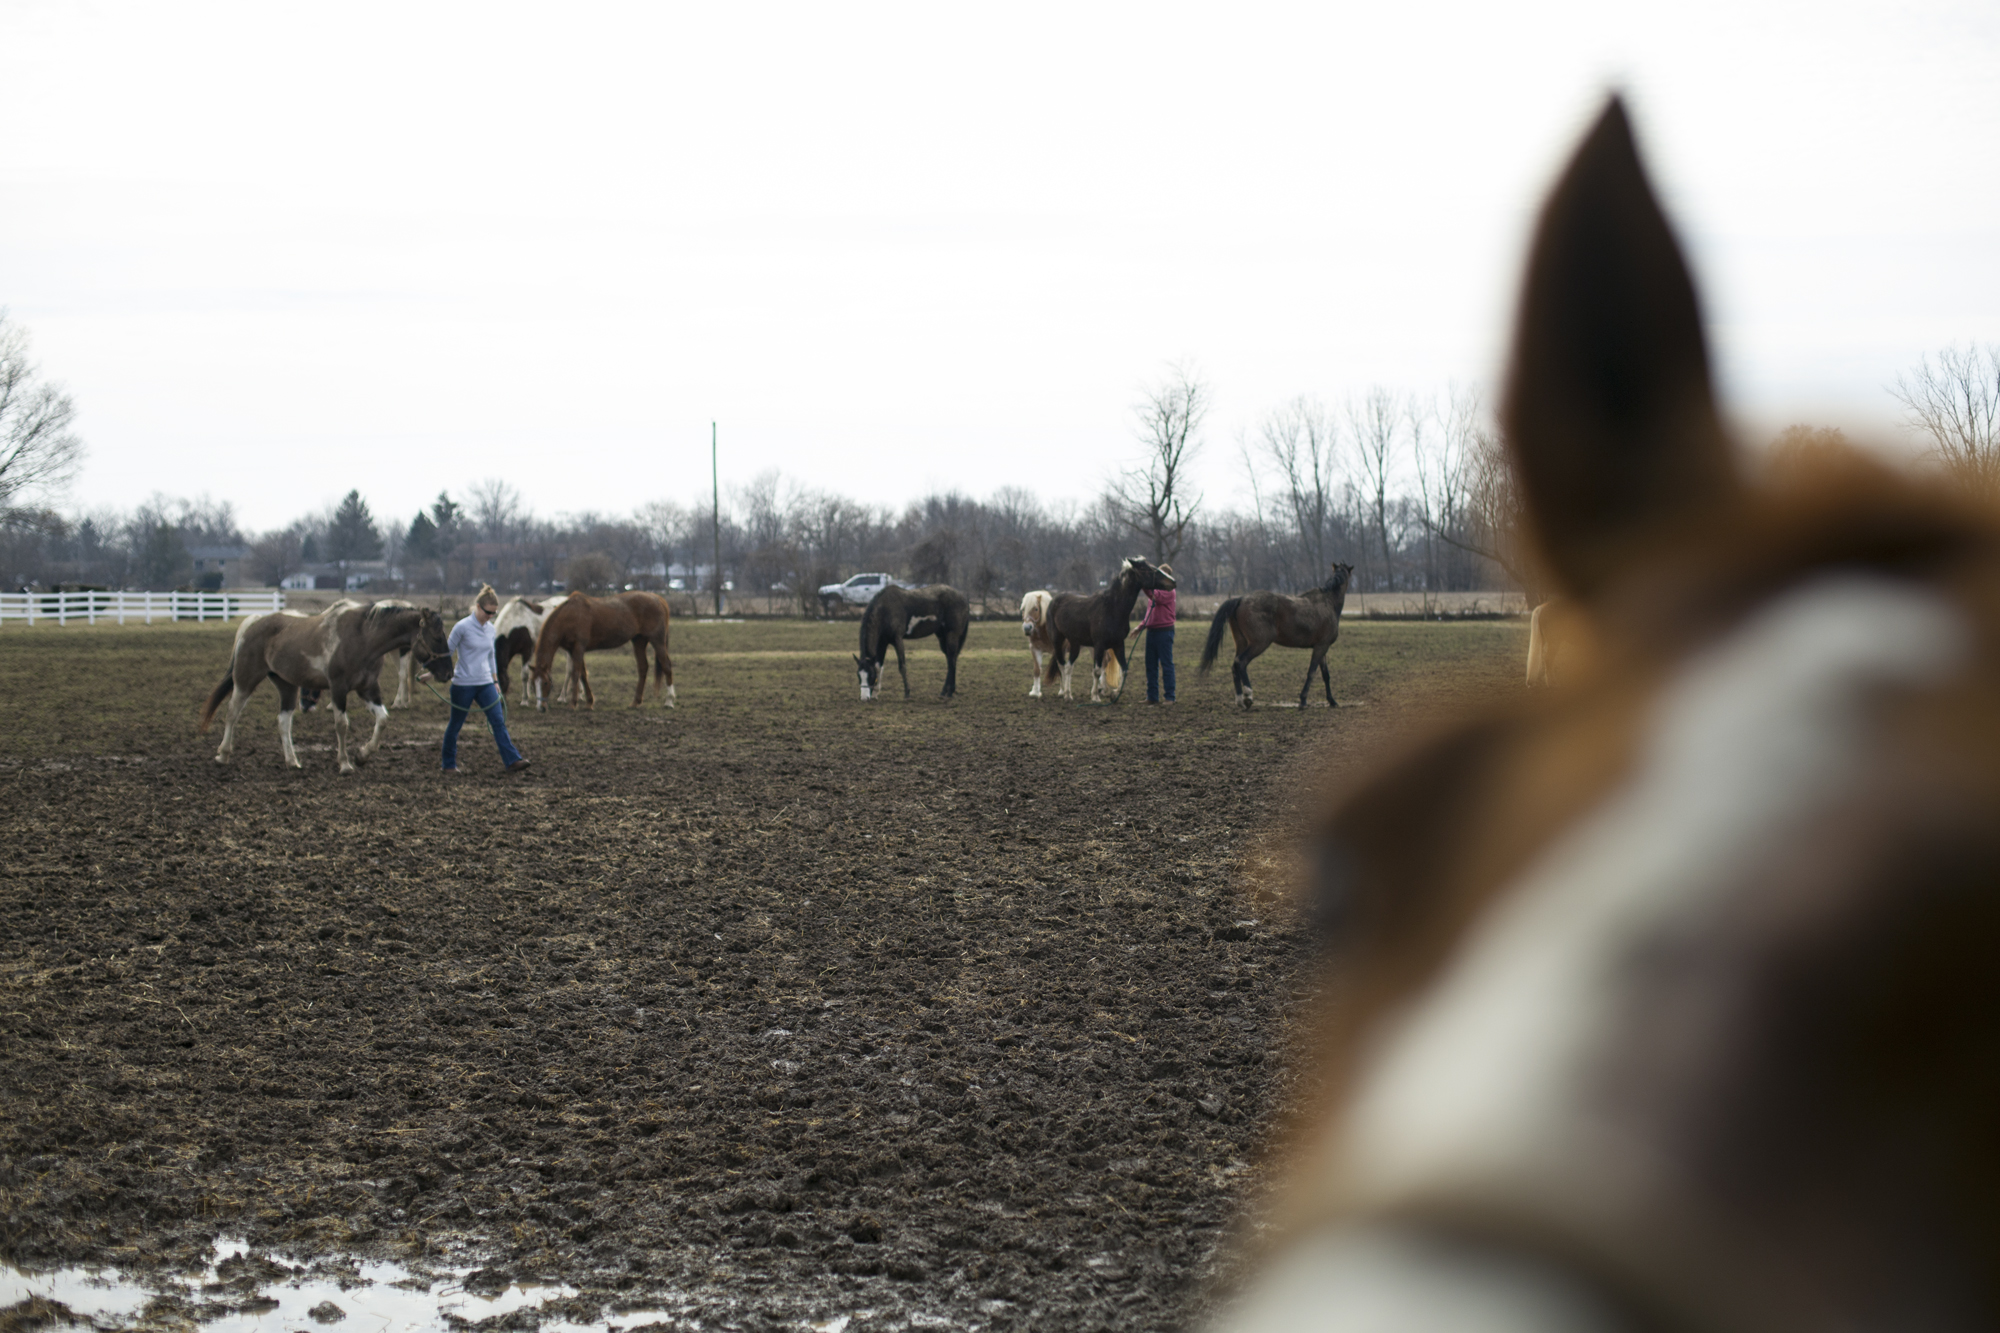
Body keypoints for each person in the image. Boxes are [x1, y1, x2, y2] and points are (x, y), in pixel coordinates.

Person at [440, 585, 531, 774]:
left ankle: (512, 760)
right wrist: (431, 673)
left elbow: (491, 656)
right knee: (455, 725)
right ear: (478, 607)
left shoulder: (491, 630)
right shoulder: (462, 627)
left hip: (485, 684)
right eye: (488, 612)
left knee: (498, 721)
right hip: (463, 684)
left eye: (494, 613)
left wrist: (495, 682)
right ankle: (448, 764)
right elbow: (446, 653)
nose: (490, 616)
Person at [1130, 563, 1177, 704]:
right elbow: (1149, 613)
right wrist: (1140, 627)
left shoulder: (1169, 591)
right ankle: (1152, 696)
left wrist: (1143, 584)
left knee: (1166, 664)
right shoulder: (1156, 591)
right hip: (1152, 632)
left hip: (1164, 632)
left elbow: (1154, 596)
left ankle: (1170, 697)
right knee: (1150, 665)